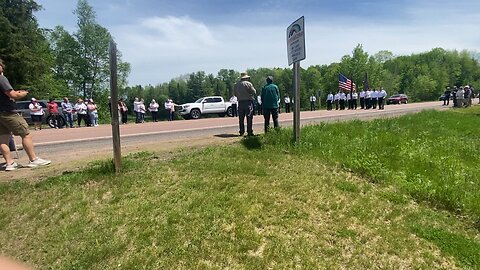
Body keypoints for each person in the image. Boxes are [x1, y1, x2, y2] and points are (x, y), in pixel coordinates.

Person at [0, 58, 51, 171]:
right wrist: (21, 94)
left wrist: (14, 93)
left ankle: (10, 163)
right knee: (26, 134)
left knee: (3, 139)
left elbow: (6, 94)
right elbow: (12, 95)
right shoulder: (1, 79)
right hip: (9, 112)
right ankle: (33, 159)